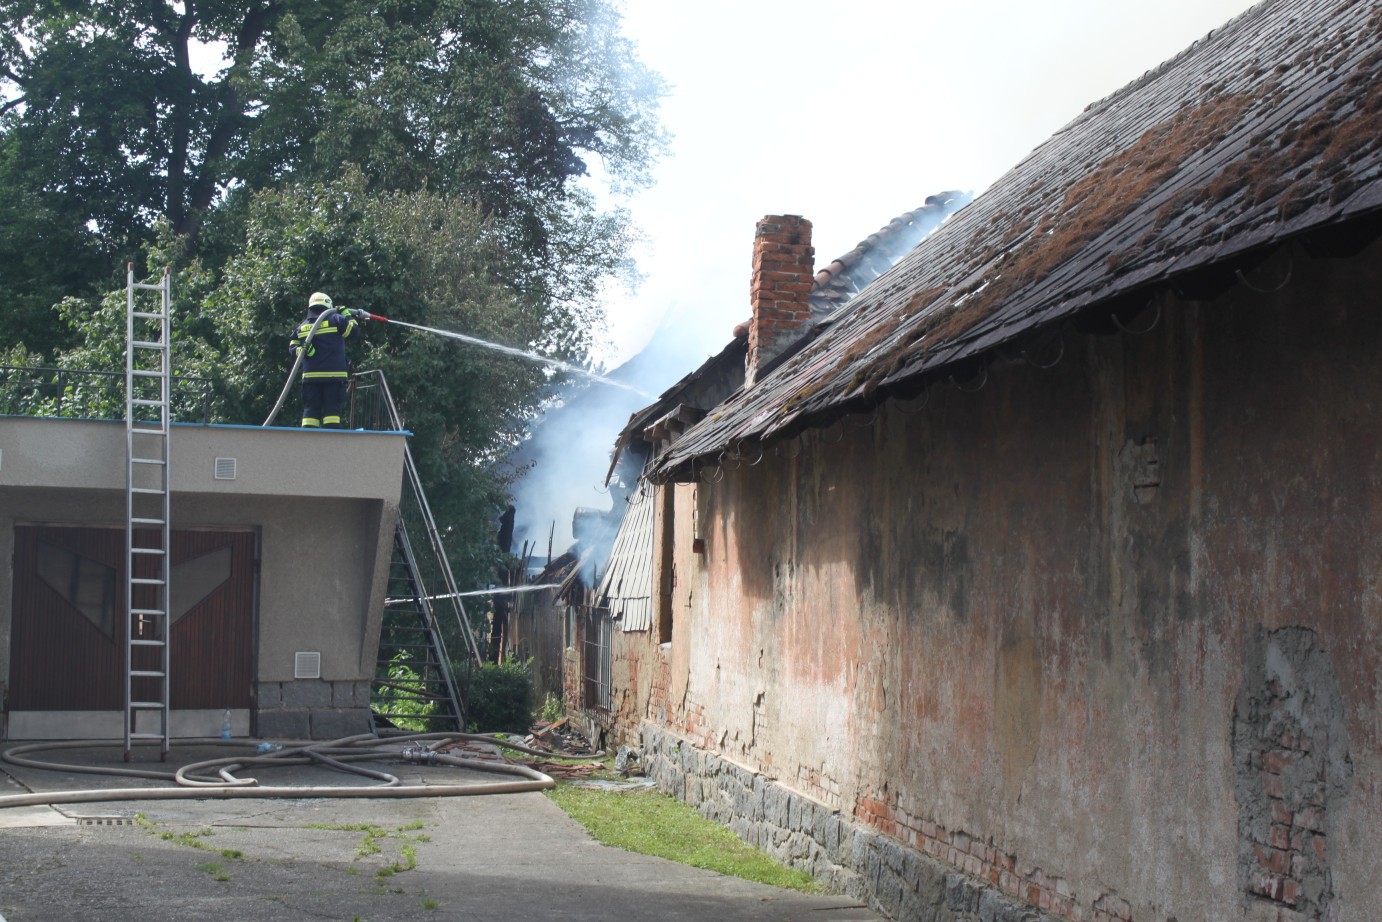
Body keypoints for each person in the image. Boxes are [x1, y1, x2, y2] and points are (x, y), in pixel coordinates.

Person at [288, 291, 361, 428]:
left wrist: (303, 351)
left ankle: (309, 444)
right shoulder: (336, 320)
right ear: (328, 305)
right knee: (332, 412)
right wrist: (347, 315)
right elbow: (354, 332)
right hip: (334, 377)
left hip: (311, 378)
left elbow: (292, 347)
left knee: (310, 413)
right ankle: (331, 445)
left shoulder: (302, 327)